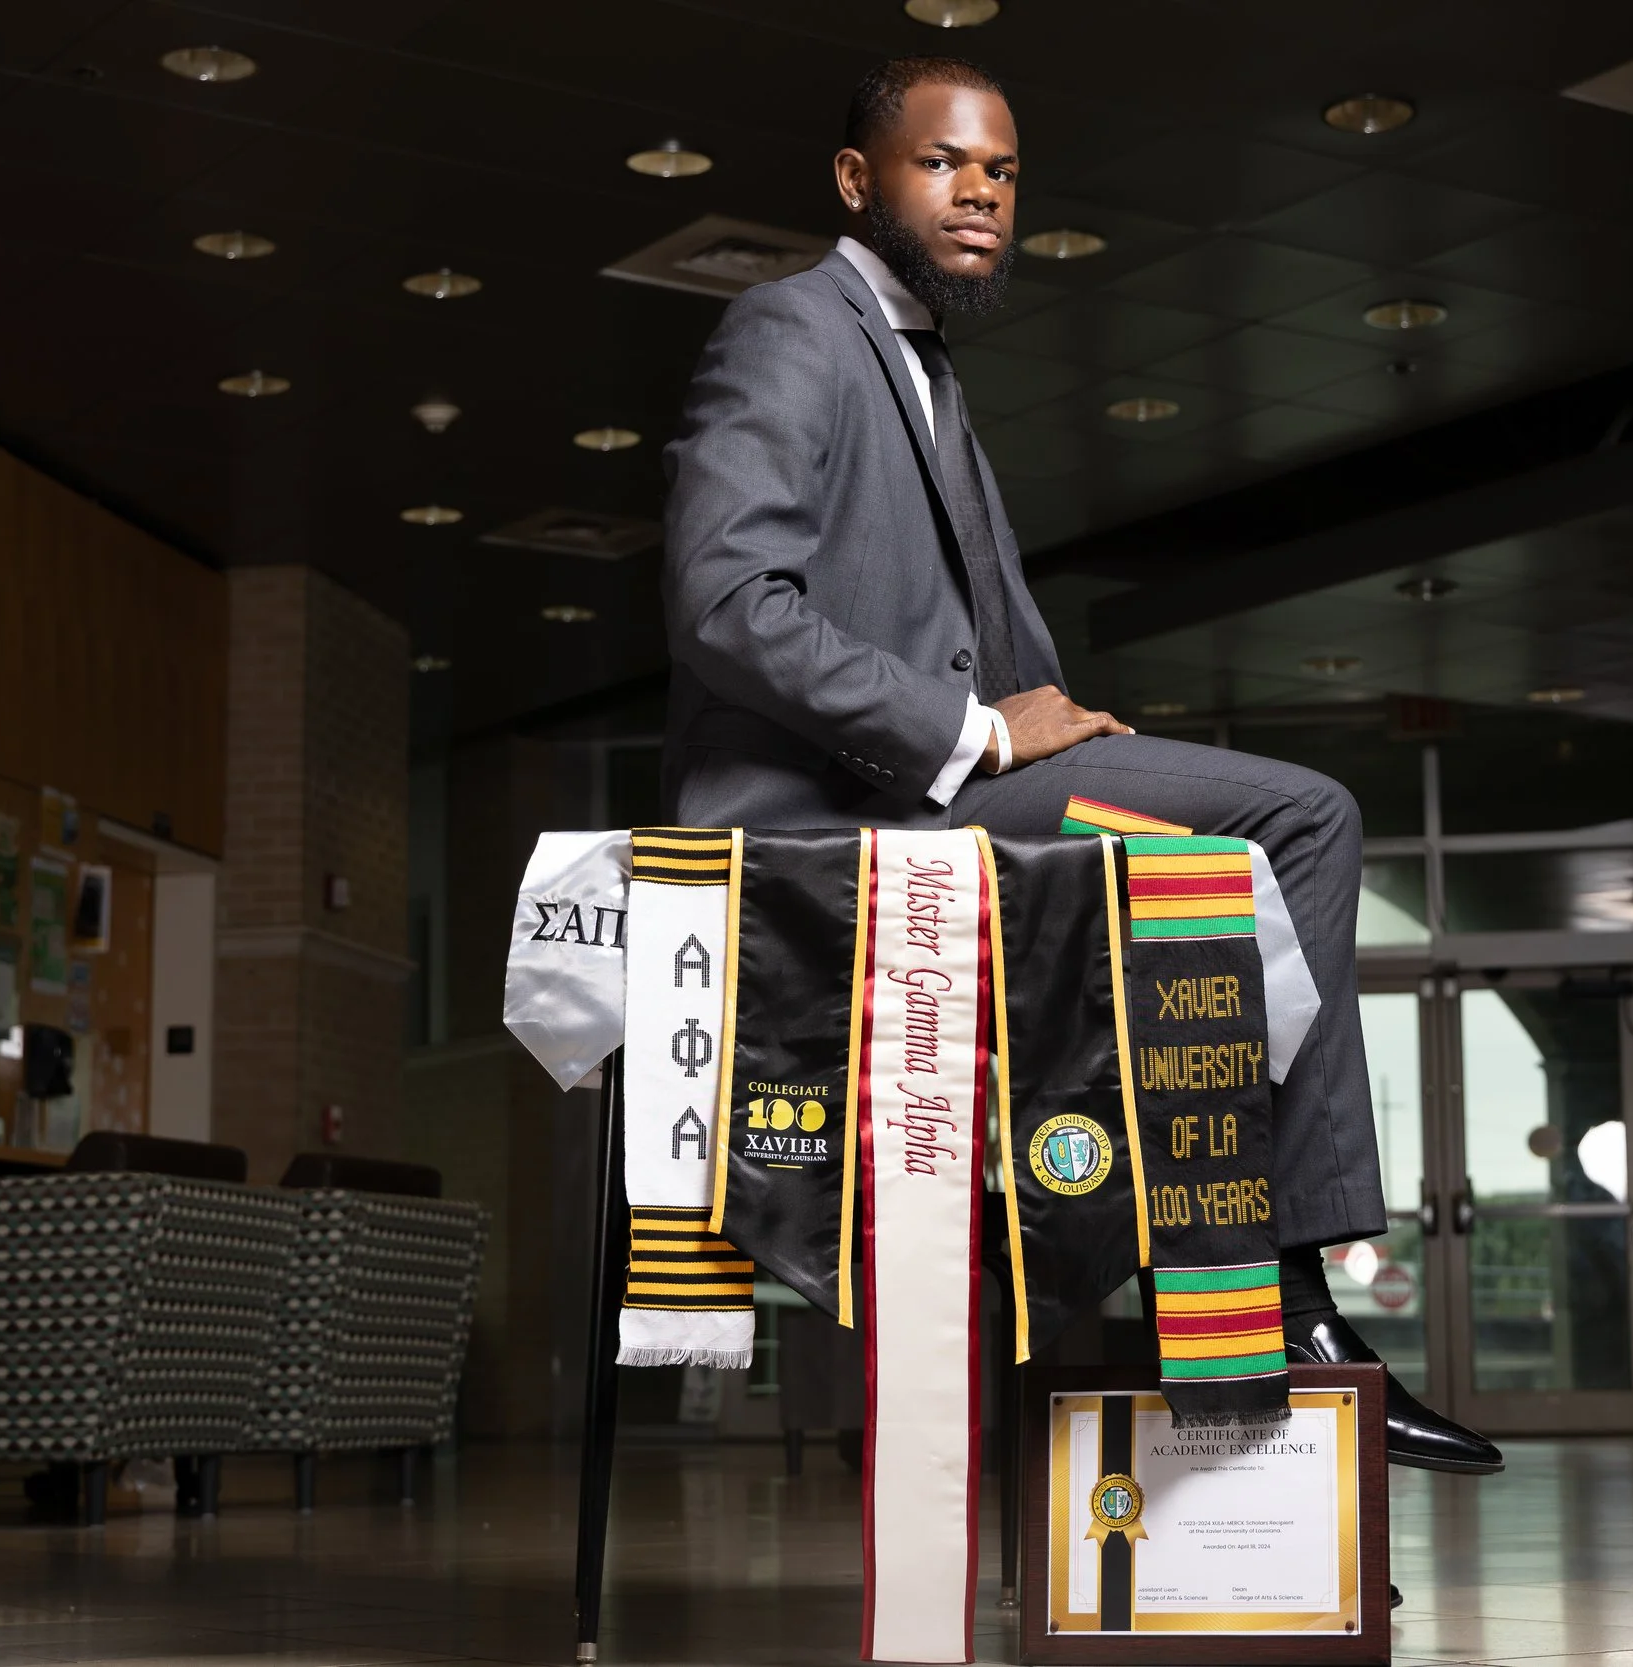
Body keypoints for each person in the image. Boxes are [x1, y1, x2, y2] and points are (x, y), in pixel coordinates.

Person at [660, 54, 1498, 1480]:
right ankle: (1271, 1295)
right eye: (943, 164)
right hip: (851, 816)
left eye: (1001, 173)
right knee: (1305, 821)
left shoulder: (927, 369)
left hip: (957, 784)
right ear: (860, 180)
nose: (981, 194)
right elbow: (724, 602)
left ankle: (1231, 1270)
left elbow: (981, 637)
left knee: (1245, 839)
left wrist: (1043, 711)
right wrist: (980, 730)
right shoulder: (790, 330)